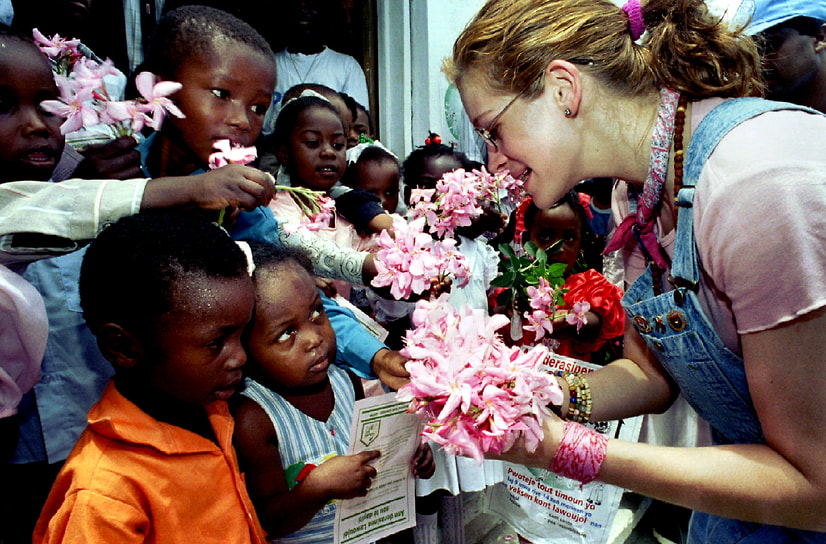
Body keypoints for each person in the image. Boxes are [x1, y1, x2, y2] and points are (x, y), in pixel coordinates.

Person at [447, 0, 826, 542]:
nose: (494, 162)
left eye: (494, 130)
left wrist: (567, 450)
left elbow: (816, 488)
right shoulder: (642, 197)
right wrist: (533, 391)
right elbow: (647, 377)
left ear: (563, 90)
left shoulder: (754, 183)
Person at [0, 24, 274, 543]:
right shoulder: (105, 174)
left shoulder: (213, 417)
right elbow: (43, 213)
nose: (38, 125)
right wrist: (169, 191)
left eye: (47, 102)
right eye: (221, 95)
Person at [33, 211, 268, 543]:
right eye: (216, 343)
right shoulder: (103, 494)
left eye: (243, 334)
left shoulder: (208, 408)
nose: (241, 357)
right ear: (124, 347)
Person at [232, 243, 434, 542]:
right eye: (287, 333)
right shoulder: (255, 418)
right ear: (245, 347)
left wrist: (408, 456)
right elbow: (269, 519)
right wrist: (316, 487)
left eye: (316, 312)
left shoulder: (345, 381)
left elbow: (367, 453)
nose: (315, 338)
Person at [507, 193, 625, 363]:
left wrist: (575, 321)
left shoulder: (589, 286)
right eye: (545, 236)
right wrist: (515, 307)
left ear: (581, 243)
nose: (559, 248)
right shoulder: (516, 286)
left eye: (569, 238)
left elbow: (598, 321)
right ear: (527, 241)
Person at [261, 0, 369, 136]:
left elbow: (357, 125)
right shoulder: (267, 65)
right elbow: (261, 125)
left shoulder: (347, 66)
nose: (304, 11)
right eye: (298, 6)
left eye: (311, 5)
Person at [746, 0, 826, 113]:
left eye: (770, 45)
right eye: (751, 51)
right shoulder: (748, 115)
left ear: (820, 38)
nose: (760, 60)